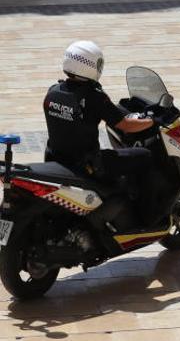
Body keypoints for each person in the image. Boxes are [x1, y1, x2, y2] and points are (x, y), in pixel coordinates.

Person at [43, 40, 159, 226]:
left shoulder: (53, 91)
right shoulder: (94, 96)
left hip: (57, 159)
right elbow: (125, 125)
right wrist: (153, 120)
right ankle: (148, 216)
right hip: (88, 164)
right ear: (90, 66)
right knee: (144, 156)